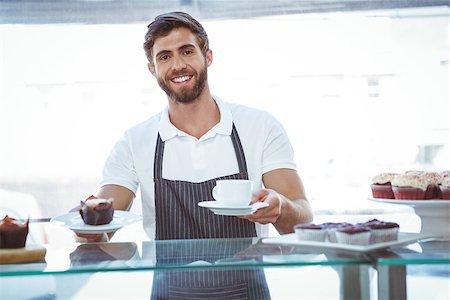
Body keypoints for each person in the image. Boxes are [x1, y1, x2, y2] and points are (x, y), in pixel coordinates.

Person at [78, 11, 312, 243]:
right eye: (165, 57)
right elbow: (100, 225)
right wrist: (84, 222)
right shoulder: (133, 142)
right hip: (170, 280)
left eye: (187, 52)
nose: (178, 65)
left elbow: (302, 218)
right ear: (152, 69)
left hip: (246, 280)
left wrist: (280, 207)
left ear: (208, 57)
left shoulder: (261, 127)